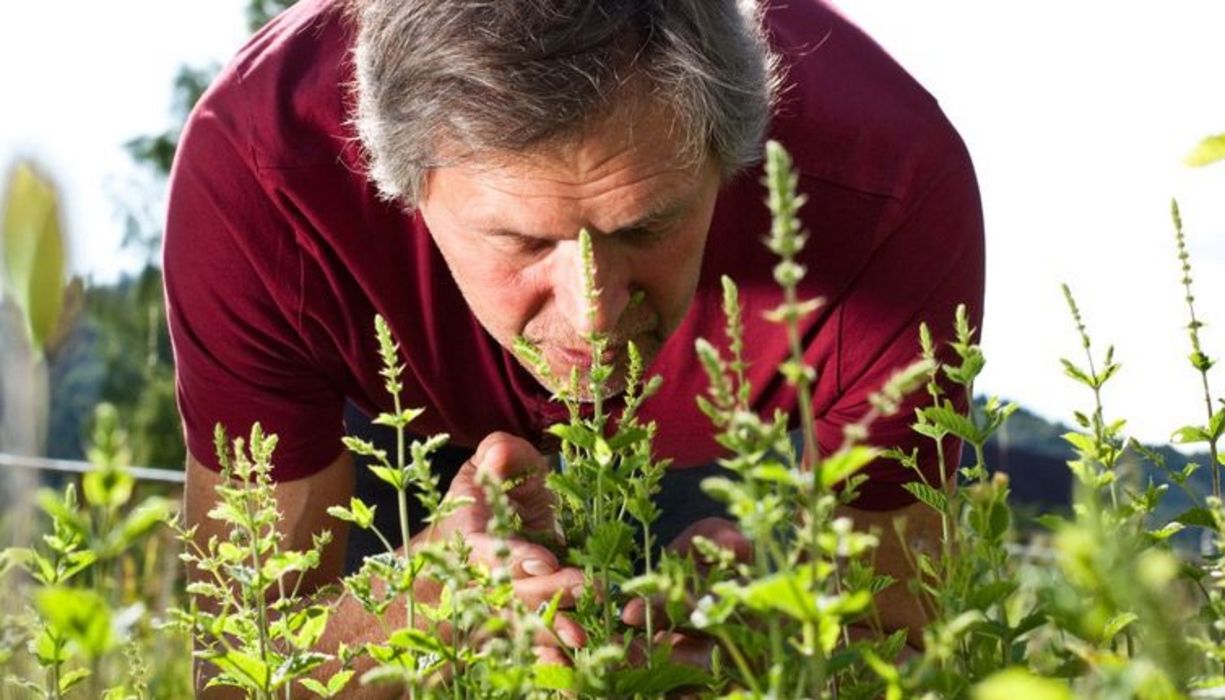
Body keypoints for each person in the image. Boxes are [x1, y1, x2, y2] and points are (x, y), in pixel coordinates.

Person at [165, 0, 984, 693]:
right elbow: (243, 664)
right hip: (388, 410)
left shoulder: (889, 186)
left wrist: (789, 638)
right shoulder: (261, 172)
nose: (593, 319)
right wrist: (406, 609)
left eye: (646, 227)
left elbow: (901, 644)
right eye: (521, 241)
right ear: (398, 182)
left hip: (733, 435)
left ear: (727, 160)